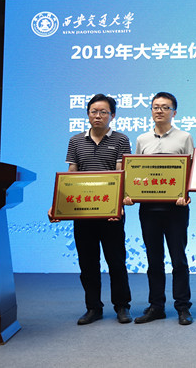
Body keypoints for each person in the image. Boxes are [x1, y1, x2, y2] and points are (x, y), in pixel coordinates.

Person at [57, 93, 133, 325]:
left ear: (113, 115)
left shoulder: (121, 139)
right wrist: (61, 205)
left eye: (103, 112)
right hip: (83, 212)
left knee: (116, 261)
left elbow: (121, 174)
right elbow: (71, 174)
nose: (98, 116)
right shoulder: (75, 141)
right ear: (88, 114)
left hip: (111, 213)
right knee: (87, 262)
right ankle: (93, 307)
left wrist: (117, 207)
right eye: (93, 111)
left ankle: (122, 306)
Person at [124, 92, 194, 325]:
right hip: (149, 209)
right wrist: (130, 194)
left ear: (174, 112)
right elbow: (136, 173)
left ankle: (182, 307)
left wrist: (185, 194)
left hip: (176, 209)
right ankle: (156, 306)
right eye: (156, 107)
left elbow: (190, 170)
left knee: (178, 260)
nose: (160, 111)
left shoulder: (184, 137)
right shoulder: (142, 139)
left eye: (165, 107)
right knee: (154, 260)